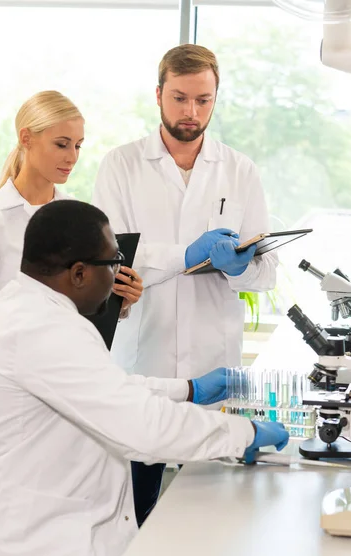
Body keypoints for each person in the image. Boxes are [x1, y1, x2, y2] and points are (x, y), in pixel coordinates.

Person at [0, 200, 288, 556]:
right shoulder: (43, 329)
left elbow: (102, 390)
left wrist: (187, 389)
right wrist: (244, 431)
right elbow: (143, 428)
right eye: (115, 261)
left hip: (51, 545)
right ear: (80, 273)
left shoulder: (25, 305)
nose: (121, 272)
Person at [93, 44, 278, 524]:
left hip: (213, 361)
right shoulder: (122, 165)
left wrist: (240, 267)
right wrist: (185, 255)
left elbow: (266, 271)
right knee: (131, 512)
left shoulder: (240, 171)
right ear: (158, 95)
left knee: (211, 517)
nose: (190, 112)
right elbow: (113, 262)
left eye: (202, 100)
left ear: (216, 99)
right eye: (179, 98)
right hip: (143, 358)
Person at [0, 90, 142, 335]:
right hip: (10, 367)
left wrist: (117, 302)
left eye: (78, 146)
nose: (72, 157)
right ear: (26, 138)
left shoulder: (80, 219)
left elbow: (80, 310)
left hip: (66, 363)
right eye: (61, 144)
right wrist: (26, 326)